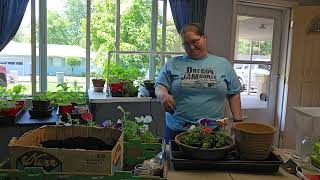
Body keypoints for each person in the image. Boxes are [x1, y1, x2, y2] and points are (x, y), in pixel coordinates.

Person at [155, 23, 243, 143]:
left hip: (212, 130)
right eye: (186, 44)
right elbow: (160, 85)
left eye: (195, 41)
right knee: (173, 161)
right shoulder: (173, 63)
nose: (191, 47)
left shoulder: (223, 64)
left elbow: (234, 94)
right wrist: (163, 95)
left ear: (204, 38)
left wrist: (238, 122)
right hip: (177, 129)